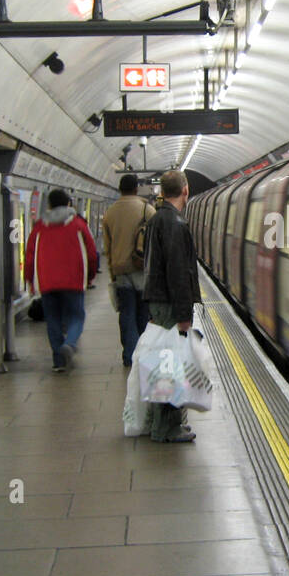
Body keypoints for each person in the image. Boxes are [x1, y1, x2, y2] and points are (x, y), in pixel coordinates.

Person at [142, 170, 202, 443]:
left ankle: (157, 424)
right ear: (185, 191)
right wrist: (184, 314)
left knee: (162, 364)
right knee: (171, 366)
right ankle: (168, 428)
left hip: (158, 300)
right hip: (169, 303)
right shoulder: (175, 223)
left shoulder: (156, 219)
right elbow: (178, 273)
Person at [24, 188, 99, 372]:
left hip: (47, 282)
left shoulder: (39, 227)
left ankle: (59, 361)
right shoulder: (78, 225)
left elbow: (30, 255)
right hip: (73, 281)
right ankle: (70, 343)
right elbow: (91, 253)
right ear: (68, 204)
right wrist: (90, 276)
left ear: (48, 205)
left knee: (53, 321)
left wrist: (29, 280)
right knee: (76, 317)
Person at [101, 174, 155, 367]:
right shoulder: (146, 210)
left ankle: (129, 355)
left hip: (121, 270)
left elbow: (107, 248)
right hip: (142, 270)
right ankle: (143, 351)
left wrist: (112, 272)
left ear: (119, 189)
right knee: (143, 314)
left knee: (126, 314)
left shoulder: (109, 213)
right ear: (136, 189)